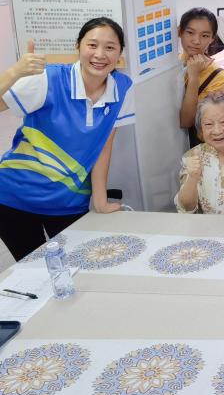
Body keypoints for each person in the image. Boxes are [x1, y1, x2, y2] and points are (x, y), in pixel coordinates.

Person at [0, 19, 132, 261]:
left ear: (120, 53)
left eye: (110, 47)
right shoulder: (47, 79)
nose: (100, 54)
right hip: (15, 197)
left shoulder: (123, 88)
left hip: (70, 201)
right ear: (78, 46)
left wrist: (100, 201)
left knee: (80, 266)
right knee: (35, 271)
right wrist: (14, 72)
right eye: (92, 45)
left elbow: (103, 146)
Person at [177, 8, 224, 147]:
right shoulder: (173, 64)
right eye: (190, 33)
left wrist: (194, 77)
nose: (196, 41)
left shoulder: (217, 76)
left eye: (205, 35)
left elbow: (187, 121)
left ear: (212, 39)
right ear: (179, 32)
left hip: (193, 148)